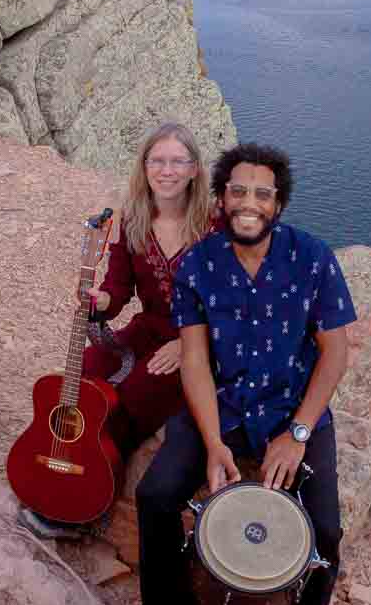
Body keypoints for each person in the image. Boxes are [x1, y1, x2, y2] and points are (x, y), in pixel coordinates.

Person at [136, 142, 357, 605]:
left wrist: (300, 433)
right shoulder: (199, 264)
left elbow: (336, 352)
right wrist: (212, 443)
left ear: (278, 202)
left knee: (326, 531)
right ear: (221, 198)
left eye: (262, 193)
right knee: (156, 496)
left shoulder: (312, 257)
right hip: (225, 407)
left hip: (292, 411)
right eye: (238, 191)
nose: (249, 203)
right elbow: (193, 361)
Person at [17, 122, 219, 540]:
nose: (166, 171)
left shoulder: (215, 227)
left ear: (195, 169)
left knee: (132, 395)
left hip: (199, 341)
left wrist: (187, 345)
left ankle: (91, 499)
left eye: (177, 161)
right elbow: (118, 289)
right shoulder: (133, 220)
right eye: (157, 161)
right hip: (148, 328)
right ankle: (61, 467)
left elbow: (234, 303)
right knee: (88, 370)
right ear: (144, 167)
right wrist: (99, 301)